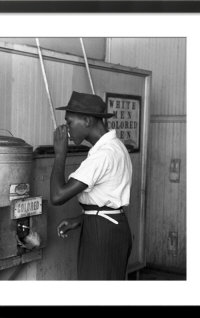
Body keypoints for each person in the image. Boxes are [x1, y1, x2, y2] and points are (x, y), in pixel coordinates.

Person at [50, 91, 133, 280]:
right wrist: (81, 219)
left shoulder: (104, 154)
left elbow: (57, 196)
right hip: (109, 226)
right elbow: (108, 198)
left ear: (87, 120)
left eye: (69, 122)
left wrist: (60, 154)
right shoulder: (115, 146)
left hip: (102, 234)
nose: (67, 129)